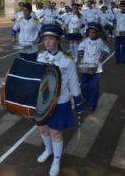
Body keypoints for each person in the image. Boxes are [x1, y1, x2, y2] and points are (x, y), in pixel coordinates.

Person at [37, 24, 83, 176]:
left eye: (51, 39)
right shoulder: (40, 57)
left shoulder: (67, 60)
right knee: (42, 128)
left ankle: (56, 160)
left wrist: (78, 102)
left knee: (55, 132)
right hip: (43, 101)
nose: (47, 42)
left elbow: (73, 82)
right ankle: (48, 150)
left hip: (60, 101)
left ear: (58, 40)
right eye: (45, 39)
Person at [78, 22, 110, 111]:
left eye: (93, 32)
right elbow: (80, 47)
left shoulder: (100, 42)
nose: (91, 34)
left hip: (96, 68)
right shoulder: (85, 41)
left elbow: (107, 49)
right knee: (83, 86)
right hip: (85, 66)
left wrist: (102, 56)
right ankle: (87, 98)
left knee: (94, 86)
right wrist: (80, 56)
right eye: (90, 32)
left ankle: (92, 104)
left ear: (98, 33)